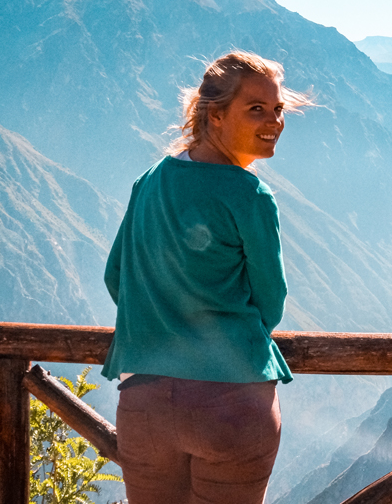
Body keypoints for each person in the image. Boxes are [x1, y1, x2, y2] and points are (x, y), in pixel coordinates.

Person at [101, 50, 313, 503]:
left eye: (278, 109)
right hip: (233, 408)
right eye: (256, 109)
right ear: (214, 116)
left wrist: (166, 326)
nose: (273, 121)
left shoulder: (150, 180)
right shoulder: (248, 193)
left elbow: (116, 277)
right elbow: (270, 302)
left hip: (145, 407)